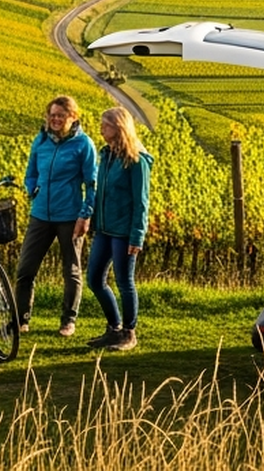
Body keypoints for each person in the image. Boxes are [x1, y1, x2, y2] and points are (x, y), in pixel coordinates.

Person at [14, 95, 97, 336]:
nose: (55, 120)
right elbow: (30, 173)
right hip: (40, 215)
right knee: (25, 269)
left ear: (73, 118)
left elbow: (92, 183)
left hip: (70, 215)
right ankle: (21, 319)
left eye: (61, 115)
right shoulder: (40, 141)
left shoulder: (84, 145)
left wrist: (86, 214)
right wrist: (33, 190)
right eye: (52, 115)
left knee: (71, 270)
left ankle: (68, 320)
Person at [86, 106, 152, 352]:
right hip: (104, 228)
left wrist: (137, 235)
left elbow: (141, 201)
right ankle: (113, 328)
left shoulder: (136, 161)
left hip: (124, 231)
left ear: (119, 127)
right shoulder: (106, 155)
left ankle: (129, 332)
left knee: (125, 281)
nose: (101, 128)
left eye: (106, 125)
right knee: (94, 279)